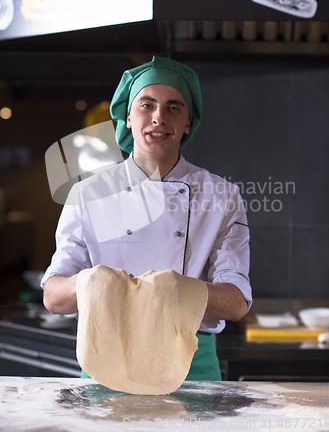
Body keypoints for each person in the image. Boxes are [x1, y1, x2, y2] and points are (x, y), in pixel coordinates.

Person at [41, 56, 252, 381]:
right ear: (127, 117)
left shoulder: (221, 196)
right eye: (147, 105)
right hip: (106, 363)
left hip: (190, 367)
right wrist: (88, 283)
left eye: (173, 107)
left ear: (187, 123)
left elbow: (237, 303)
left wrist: (182, 291)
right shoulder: (87, 194)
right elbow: (54, 298)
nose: (158, 118)